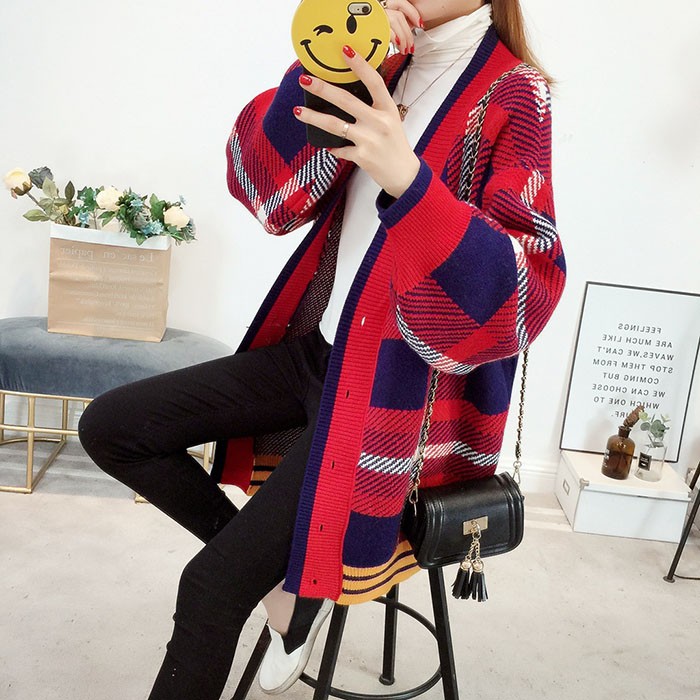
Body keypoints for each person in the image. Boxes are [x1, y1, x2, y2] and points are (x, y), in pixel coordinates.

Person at [78, 1, 565, 698]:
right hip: (322, 353)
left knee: (209, 589)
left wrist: (410, 183)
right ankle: (285, 585)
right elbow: (263, 183)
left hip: (393, 398)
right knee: (113, 426)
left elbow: (524, 293)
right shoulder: (379, 58)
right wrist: (328, 58)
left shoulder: (515, 92)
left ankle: (260, 577)